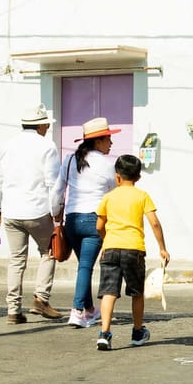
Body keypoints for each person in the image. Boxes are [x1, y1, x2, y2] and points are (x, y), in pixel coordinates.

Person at [0, 105, 63, 323]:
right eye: (46, 125)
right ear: (41, 125)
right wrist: (56, 212)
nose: (47, 128)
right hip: (38, 210)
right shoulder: (47, 147)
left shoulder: (6, 146)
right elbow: (53, 184)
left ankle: (13, 309)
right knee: (48, 252)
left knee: (16, 260)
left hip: (12, 211)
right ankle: (41, 298)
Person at [94, 153, 168, 351]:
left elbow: (99, 225)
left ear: (117, 176)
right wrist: (162, 248)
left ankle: (104, 333)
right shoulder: (142, 196)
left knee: (109, 293)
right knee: (137, 293)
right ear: (138, 177)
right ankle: (137, 331)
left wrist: (106, 240)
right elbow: (154, 223)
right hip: (134, 250)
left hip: (110, 248)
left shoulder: (108, 197)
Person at [60, 118, 119, 327]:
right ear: (98, 141)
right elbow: (113, 194)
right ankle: (76, 311)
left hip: (72, 220)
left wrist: (55, 215)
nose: (111, 143)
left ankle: (89, 310)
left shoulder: (69, 160)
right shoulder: (106, 164)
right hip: (94, 220)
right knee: (85, 267)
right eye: (108, 139)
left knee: (83, 266)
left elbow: (59, 190)